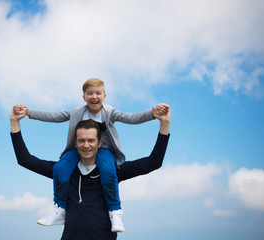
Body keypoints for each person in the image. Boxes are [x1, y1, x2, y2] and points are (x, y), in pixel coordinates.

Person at [14, 78, 168, 232]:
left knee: (108, 170)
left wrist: (152, 115)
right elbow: (56, 116)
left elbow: (131, 118)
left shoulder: (109, 112)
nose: (94, 96)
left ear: (104, 96)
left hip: (105, 151)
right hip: (73, 160)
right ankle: (60, 209)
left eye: (98, 93)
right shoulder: (77, 112)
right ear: (84, 97)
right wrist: (29, 112)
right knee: (60, 167)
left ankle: (115, 212)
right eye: (90, 93)